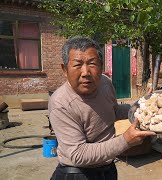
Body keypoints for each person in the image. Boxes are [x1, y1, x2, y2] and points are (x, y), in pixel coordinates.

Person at [49, 36, 155, 180]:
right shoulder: (60, 103)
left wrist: (142, 106)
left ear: (101, 66)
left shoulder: (105, 83)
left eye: (92, 64)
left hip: (107, 169)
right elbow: (78, 154)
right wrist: (125, 141)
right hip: (77, 173)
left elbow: (114, 110)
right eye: (77, 65)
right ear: (65, 69)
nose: (85, 72)